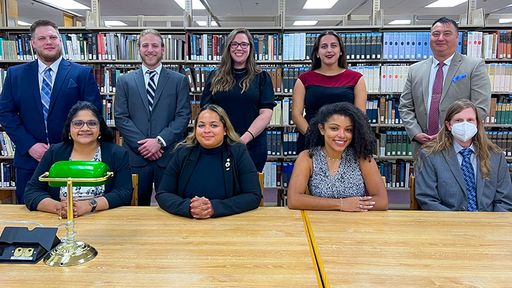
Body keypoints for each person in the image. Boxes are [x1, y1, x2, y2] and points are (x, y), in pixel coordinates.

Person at [0, 19, 102, 204]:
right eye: (42, 38)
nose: (49, 42)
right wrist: (30, 145)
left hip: (72, 158)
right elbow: (5, 113)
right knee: (31, 214)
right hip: (29, 160)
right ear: (33, 43)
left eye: (53, 37)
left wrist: (68, 146)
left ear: (60, 40)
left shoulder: (81, 73)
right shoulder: (16, 75)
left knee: (73, 212)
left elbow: (93, 114)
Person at [115, 29, 191, 206]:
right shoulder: (125, 81)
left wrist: (159, 141)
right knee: (135, 207)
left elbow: (183, 116)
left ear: (163, 49)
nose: (150, 50)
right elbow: (121, 117)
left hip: (168, 155)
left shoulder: (178, 80)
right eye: (145, 45)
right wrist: (145, 145)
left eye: (155, 45)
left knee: (171, 205)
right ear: (139, 49)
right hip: (136, 157)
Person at [399, 17, 491, 156]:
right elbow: (405, 106)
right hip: (424, 146)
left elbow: (480, 108)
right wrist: (415, 132)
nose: (440, 38)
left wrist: (448, 132)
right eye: (436, 34)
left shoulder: (474, 66)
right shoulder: (415, 70)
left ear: (457, 37)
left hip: (459, 145)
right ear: (430, 37)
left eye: (447, 33)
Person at [24, 101, 132, 218]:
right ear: (69, 128)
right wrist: (59, 208)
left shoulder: (118, 154)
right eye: (78, 123)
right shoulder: (54, 152)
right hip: (60, 220)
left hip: (102, 218)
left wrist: (89, 205)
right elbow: (32, 192)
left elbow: (124, 193)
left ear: (100, 129)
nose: (85, 128)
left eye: (92, 123)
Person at [156, 104, 262, 219]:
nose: (207, 130)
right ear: (195, 129)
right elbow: (163, 193)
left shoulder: (238, 152)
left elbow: (254, 196)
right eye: (201, 126)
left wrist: (214, 208)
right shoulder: (183, 152)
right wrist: (188, 207)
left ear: (225, 130)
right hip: (187, 223)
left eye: (214, 125)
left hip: (229, 223)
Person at [287, 102, 387, 211]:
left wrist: (356, 205)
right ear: (322, 129)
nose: (342, 135)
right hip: (319, 223)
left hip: (356, 224)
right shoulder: (307, 157)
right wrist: (341, 204)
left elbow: (382, 201)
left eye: (348, 130)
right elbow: (294, 200)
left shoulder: (361, 156)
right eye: (334, 128)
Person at [415, 100, 512, 211]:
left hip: (487, 223)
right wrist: (458, 223)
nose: (465, 124)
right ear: (449, 125)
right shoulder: (430, 156)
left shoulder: (496, 156)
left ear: (477, 124)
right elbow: (427, 199)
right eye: (458, 120)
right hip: (447, 223)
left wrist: (493, 225)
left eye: (470, 120)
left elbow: (504, 200)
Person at [200, 28, 275, 172]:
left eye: (243, 44)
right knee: (220, 189)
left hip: (252, 145)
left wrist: (242, 140)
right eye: (234, 44)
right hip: (219, 143)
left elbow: (266, 114)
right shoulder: (215, 76)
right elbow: (207, 111)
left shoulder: (262, 77)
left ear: (250, 48)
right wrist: (224, 138)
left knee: (250, 189)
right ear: (228, 48)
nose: (239, 48)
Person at [291, 30, 367, 152]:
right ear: (317, 53)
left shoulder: (356, 78)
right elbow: (296, 114)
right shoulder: (304, 79)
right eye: (324, 46)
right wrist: (314, 136)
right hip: (311, 141)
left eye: (334, 45)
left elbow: (360, 115)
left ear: (341, 51)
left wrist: (341, 136)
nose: (329, 50)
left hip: (344, 141)